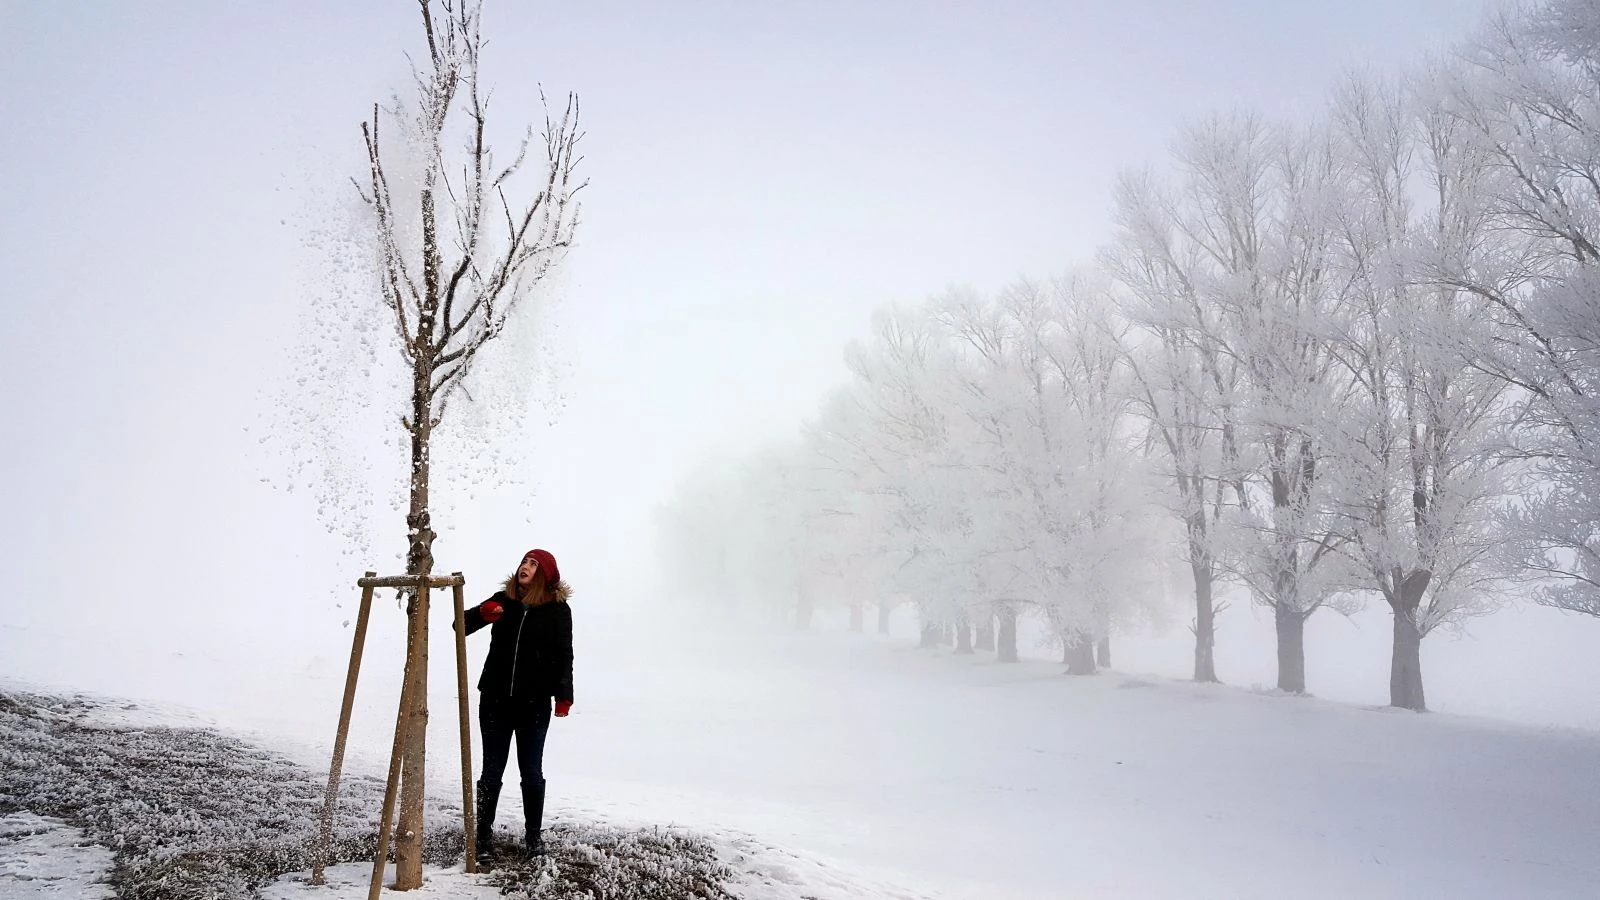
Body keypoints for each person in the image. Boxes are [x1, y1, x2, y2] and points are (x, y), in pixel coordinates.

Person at [460, 548, 574, 863]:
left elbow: (565, 653)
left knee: (532, 772)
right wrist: (483, 614)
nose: (525, 567)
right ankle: (483, 837)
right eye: (524, 561)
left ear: (545, 574)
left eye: (533, 564)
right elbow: (461, 625)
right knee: (491, 772)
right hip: (495, 700)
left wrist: (564, 695)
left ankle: (533, 837)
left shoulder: (558, 610)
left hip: (534, 705)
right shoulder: (504, 600)